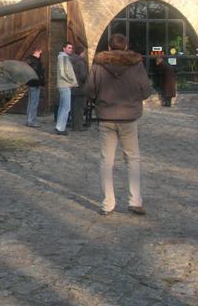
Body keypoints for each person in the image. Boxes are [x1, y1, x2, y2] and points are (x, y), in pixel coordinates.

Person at [85, 33, 152, 216]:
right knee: (133, 159)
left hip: (106, 116)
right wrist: (133, 100)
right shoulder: (136, 65)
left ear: (109, 47)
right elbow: (146, 90)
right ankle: (135, 200)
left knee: (106, 161)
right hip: (129, 117)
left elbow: (89, 89)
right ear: (126, 47)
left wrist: (99, 101)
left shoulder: (99, 65)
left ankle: (107, 203)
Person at [55, 42, 77, 135]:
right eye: (69, 47)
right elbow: (63, 72)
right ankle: (60, 128)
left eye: (71, 48)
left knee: (62, 107)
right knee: (66, 107)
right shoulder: (63, 57)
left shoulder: (63, 57)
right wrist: (71, 81)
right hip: (65, 85)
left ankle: (59, 126)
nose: (70, 49)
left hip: (63, 85)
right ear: (64, 48)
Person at [69, 46, 88, 131]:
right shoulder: (81, 63)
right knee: (79, 108)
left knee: (73, 108)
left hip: (71, 87)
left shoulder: (70, 61)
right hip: (80, 88)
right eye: (84, 52)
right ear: (81, 53)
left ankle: (74, 125)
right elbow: (83, 76)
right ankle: (78, 127)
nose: (85, 54)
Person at [25, 48, 45, 127]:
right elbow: (37, 73)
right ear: (37, 52)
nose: (40, 55)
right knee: (34, 103)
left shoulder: (29, 60)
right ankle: (31, 121)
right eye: (40, 53)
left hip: (31, 83)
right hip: (35, 84)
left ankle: (29, 120)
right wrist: (41, 81)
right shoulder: (35, 62)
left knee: (31, 102)